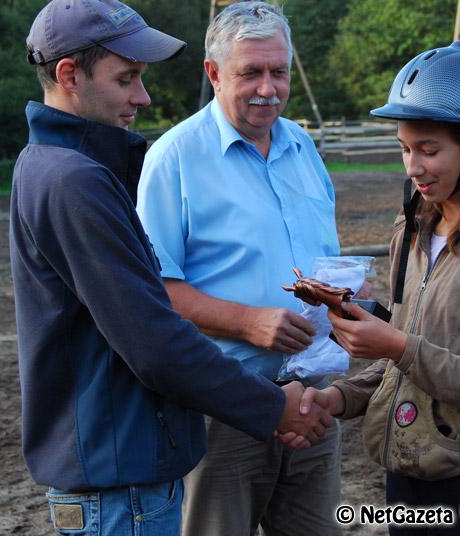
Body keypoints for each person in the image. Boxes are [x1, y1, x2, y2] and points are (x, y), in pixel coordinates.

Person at [10, 1, 332, 535]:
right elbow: (153, 338)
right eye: (127, 78)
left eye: (279, 71)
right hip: (126, 469)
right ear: (69, 75)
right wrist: (269, 402)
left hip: (145, 453)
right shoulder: (77, 181)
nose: (143, 96)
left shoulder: (74, 170)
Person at [300, 41, 460, 535]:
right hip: (408, 480)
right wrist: (339, 398)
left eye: (429, 150)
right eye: (405, 149)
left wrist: (397, 345)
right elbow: (402, 360)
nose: (412, 167)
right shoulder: (411, 229)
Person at [136, 2, 342, 534]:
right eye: (251, 72)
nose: (268, 89)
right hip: (222, 404)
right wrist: (248, 322)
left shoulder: (303, 147)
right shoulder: (174, 158)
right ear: (214, 72)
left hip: (312, 396)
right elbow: (153, 293)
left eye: (279, 71)